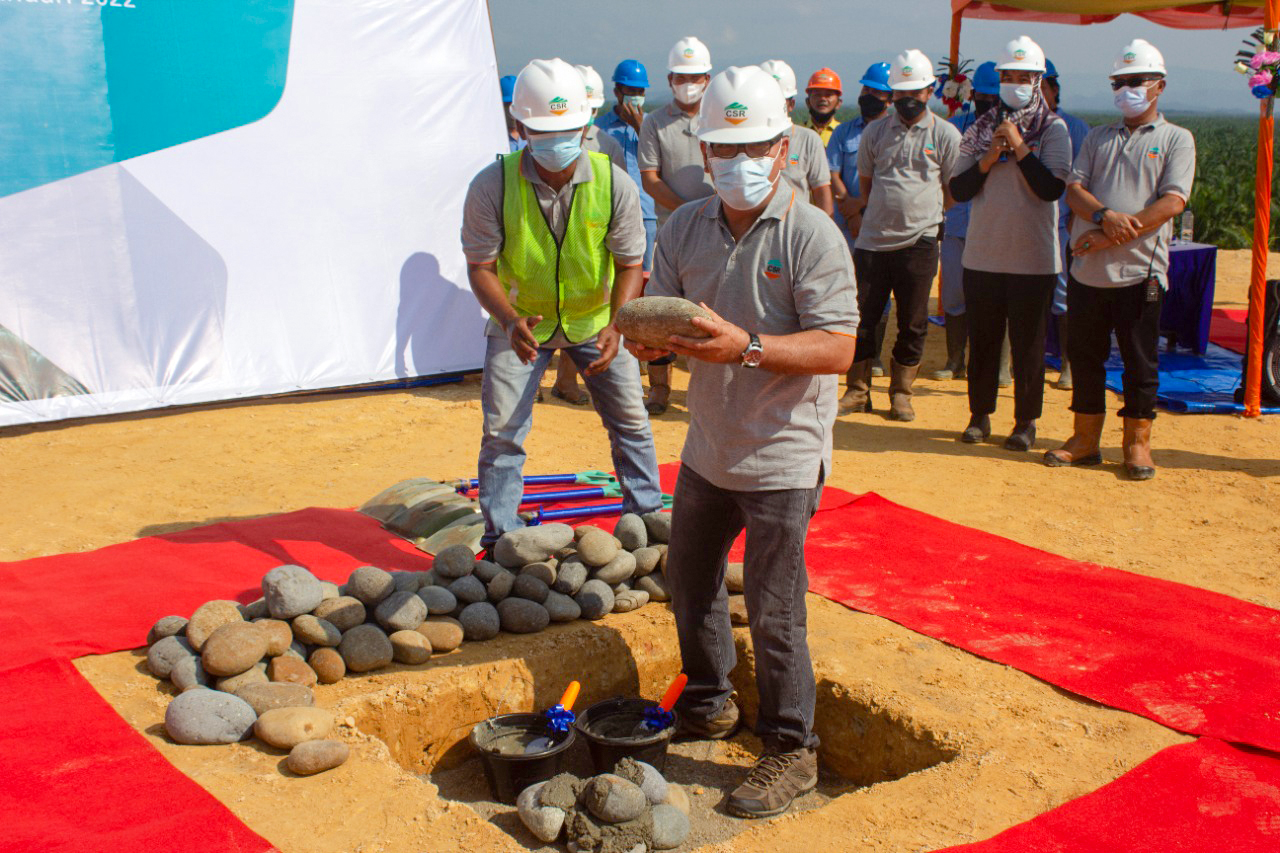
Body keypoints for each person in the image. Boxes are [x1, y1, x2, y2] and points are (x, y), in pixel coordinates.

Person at [625, 64, 857, 820]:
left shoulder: (811, 234)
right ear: (703, 152)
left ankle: (792, 749)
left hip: (783, 453)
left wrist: (747, 348)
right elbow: (662, 316)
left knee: (774, 606)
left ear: (784, 149)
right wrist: (651, 347)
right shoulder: (686, 226)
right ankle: (708, 700)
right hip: (708, 447)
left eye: (754, 146)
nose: (739, 162)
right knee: (689, 579)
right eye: (724, 149)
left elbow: (839, 347)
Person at [461, 58, 664, 549]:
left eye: (567, 130)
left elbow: (630, 264)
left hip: (596, 321)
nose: (556, 141)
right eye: (543, 131)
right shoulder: (492, 185)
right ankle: (502, 538)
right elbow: (480, 266)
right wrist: (508, 318)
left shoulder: (614, 183)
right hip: (519, 325)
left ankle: (647, 522)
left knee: (631, 423)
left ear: (587, 123)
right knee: (503, 433)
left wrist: (618, 324)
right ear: (520, 128)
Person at [1048, 39, 1194, 480]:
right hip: (1088, 271)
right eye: (1119, 82)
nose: (1126, 89)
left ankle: (1136, 444)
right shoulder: (1098, 137)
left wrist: (1109, 234)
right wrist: (1103, 217)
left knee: (1140, 361)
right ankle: (1084, 438)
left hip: (1140, 271)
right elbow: (1075, 189)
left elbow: (1172, 202)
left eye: (1136, 81)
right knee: (1085, 356)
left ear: (1159, 86)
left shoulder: (1176, 139)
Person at [949, 37, 1071, 451]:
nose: (1014, 84)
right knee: (983, 342)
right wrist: (988, 157)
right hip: (983, 255)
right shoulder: (980, 130)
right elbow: (959, 190)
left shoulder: (1053, 130)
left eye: (1023, 77)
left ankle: (1025, 422)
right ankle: (979, 415)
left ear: (1038, 82)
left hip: (1033, 260)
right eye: (1008, 77)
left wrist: (1019, 147)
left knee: (1028, 346)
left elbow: (1051, 188)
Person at [843, 49, 960, 421]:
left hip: (919, 242)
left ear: (929, 91)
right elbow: (866, 184)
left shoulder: (945, 134)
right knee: (862, 317)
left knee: (913, 321)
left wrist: (926, 218)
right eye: (901, 92)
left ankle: (901, 394)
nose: (908, 99)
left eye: (915, 92)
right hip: (873, 242)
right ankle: (858, 391)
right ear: (892, 94)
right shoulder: (875, 132)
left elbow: (952, 191)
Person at [638, 36, 716, 415]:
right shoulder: (654, 123)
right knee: (661, 309)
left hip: (718, 227)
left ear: (707, 79)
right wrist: (688, 211)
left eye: (695, 76)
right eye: (681, 77)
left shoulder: (718, 116)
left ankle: (712, 388)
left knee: (713, 307)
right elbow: (650, 179)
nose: (688, 83)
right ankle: (659, 387)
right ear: (669, 79)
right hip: (671, 230)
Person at [929, 60, 999, 383]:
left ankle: (995, 365)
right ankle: (954, 360)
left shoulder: (1015, 132)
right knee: (954, 296)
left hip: (994, 228)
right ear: (972, 96)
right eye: (982, 97)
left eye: (993, 99)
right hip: (956, 224)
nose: (987, 104)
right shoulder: (954, 127)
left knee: (994, 299)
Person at [828, 61, 894, 396]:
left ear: (890, 98)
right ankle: (847, 354)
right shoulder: (844, 132)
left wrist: (862, 209)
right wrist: (849, 209)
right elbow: (832, 173)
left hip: (879, 226)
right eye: (867, 89)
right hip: (845, 227)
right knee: (844, 291)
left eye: (877, 92)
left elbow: (889, 180)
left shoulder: (893, 133)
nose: (869, 95)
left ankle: (873, 356)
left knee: (876, 295)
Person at [1042, 57, 1093, 391]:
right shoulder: (1016, 128)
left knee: (1063, 298)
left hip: (1063, 225)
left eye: (1041, 87)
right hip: (1025, 228)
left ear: (1054, 89)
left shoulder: (1076, 128)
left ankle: (1068, 365)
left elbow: (1085, 182)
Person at [596, 59, 658, 271]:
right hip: (608, 211)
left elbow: (660, 159)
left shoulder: (652, 125)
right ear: (617, 92)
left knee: (644, 273)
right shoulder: (600, 128)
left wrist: (640, 127)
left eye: (640, 91)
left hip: (645, 212)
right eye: (631, 91)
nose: (636, 96)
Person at [759, 60, 833, 215]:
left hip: (796, 224)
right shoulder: (744, 141)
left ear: (791, 104)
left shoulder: (808, 140)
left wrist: (826, 226)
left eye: (779, 101)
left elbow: (821, 191)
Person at [802, 68, 843, 145]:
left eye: (828, 95)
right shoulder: (797, 133)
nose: (822, 99)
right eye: (817, 95)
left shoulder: (845, 134)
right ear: (808, 102)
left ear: (838, 103)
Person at [500, 75, 526, 153]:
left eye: (515, 105)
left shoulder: (534, 136)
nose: (511, 110)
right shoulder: (493, 139)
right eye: (507, 105)